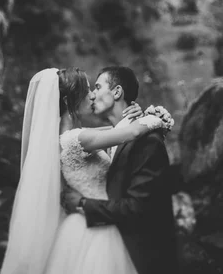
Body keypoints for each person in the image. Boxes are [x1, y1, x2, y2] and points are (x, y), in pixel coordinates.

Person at [0, 67, 172, 274]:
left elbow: (119, 132)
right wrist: (157, 119)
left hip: (93, 224)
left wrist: (140, 114)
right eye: (89, 90)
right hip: (94, 228)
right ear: (69, 100)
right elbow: (132, 132)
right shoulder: (77, 138)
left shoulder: (68, 137)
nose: (92, 95)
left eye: (96, 88)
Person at [64, 65, 178, 273]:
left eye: (97, 87)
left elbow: (139, 207)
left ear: (117, 92)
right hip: (106, 245)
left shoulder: (148, 141)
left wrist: (82, 204)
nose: (92, 95)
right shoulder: (102, 138)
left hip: (141, 256)